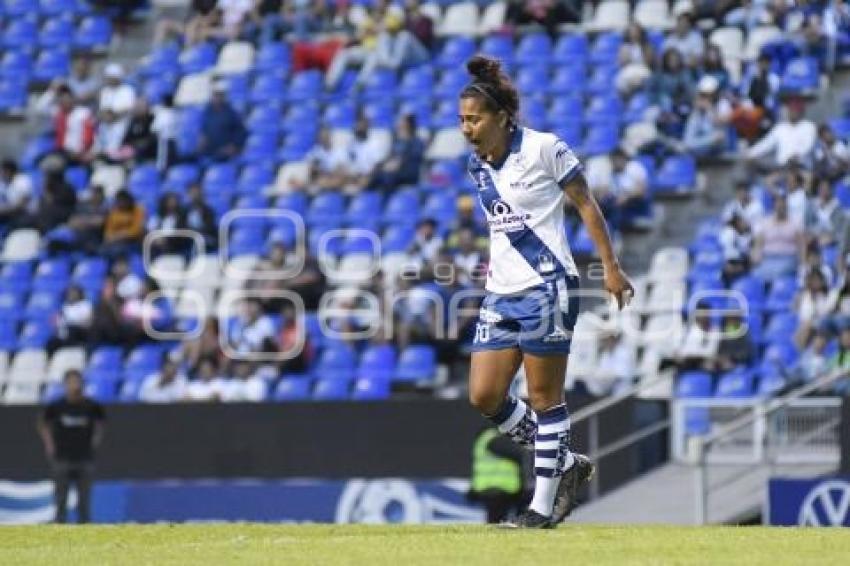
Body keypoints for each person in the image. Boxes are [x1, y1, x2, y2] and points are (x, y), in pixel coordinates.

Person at [459, 56, 633, 528]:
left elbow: (586, 206)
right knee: (484, 395)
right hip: (501, 292)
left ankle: (540, 509)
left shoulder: (545, 149)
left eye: (474, 119)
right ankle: (568, 463)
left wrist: (610, 270)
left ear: (501, 118)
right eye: (462, 120)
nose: (467, 129)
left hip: (548, 285)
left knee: (544, 397)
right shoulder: (476, 167)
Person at [36, 369, 105, 524]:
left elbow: (100, 423)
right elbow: (42, 423)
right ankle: (60, 533)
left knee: (84, 501)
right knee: (61, 500)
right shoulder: (56, 406)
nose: (75, 385)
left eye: (77, 381)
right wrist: (49, 444)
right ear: (65, 384)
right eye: (71, 382)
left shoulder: (91, 406)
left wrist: (95, 440)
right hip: (62, 458)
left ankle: (84, 532)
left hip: (84, 459)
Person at [469, 426, 528, 524]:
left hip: (499, 488)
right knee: (496, 521)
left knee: (498, 521)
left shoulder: (486, 438)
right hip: (496, 488)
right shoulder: (494, 440)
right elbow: (517, 454)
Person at [198, 80, 247, 161]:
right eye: (215, 95)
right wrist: (202, 139)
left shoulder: (231, 113)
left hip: (225, 152)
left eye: (219, 95)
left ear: (224, 97)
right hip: (210, 151)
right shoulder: (207, 112)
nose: (217, 98)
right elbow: (204, 130)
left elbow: (241, 132)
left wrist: (234, 146)